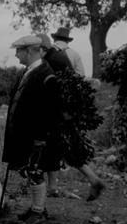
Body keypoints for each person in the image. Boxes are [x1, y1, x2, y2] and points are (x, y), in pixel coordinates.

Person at [2, 36, 63, 224]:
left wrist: (41, 138)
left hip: (36, 136)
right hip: (23, 134)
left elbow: (51, 111)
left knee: (34, 170)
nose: (15, 54)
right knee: (28, 171)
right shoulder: (28, 72)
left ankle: (38, 213)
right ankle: (38, 208)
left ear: (29, 51)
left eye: (18, 50)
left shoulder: (46, 74)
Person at [36, 33, 106, 201]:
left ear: (41, 48)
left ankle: (93, 179)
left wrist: (66, 111)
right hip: (62, 111)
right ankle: (54, 187)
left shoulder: (54, 60)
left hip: (61, 112)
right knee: (56, 148)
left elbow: (68, 85)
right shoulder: (58, 56)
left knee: (64, 148)